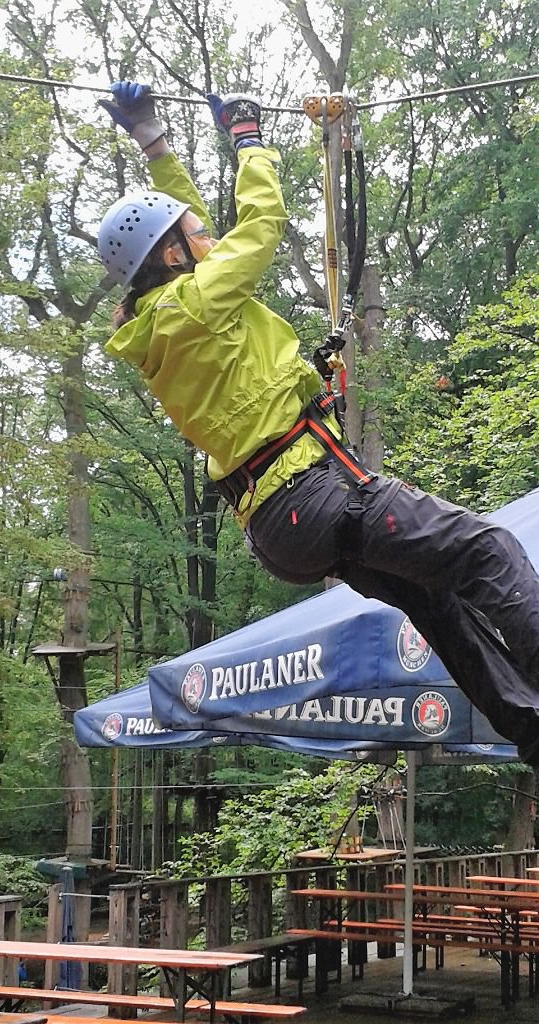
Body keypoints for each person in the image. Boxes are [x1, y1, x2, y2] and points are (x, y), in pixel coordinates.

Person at [98, 81, 539, 762]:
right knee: (488, 551)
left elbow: (178, 223)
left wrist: (153, 141)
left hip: (282, 526)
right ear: (174, 258)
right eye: (196, 237)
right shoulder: (197, 300)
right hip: (313, 494)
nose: (209, 236)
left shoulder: (166, 320)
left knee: (439, 603)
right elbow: (260, 223)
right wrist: (248, 140)